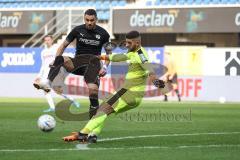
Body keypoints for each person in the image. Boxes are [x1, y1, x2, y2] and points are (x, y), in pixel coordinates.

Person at [62, 30, 165, 143]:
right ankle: (93, 135)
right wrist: (100, 57)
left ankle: (82, 134)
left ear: (137, 43)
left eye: (129, 43)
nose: (126, 45)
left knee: (102, 110)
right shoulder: (134, 52)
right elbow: (119, 57)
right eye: (126, 42)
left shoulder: (141, 55)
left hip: (128, 93)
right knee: (104, 109)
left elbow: (150, 69)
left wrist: (155, 81)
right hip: (134, 97)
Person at [34, 9, 111, 118]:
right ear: (84, 19)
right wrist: (56, 60)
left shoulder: (104, 34)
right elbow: (63, 46)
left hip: (93, 64)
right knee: (60, 58)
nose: (89, 22)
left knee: (93, 91)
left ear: (96, 19)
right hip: (77, 63)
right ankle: (47, 82)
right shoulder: (77, 30)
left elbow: (109, 54)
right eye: (87, 20)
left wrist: (105, 67)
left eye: (92, 20)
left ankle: (93, 119)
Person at [34, 35, 79, 112]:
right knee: (45, 90)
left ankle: (72, 100)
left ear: (52, 40)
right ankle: (52, 107)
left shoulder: (56, 48)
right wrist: (39, 75)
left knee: (57, 90)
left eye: (48, 40)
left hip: (54, 72)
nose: (47, 41)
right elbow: (43, 64)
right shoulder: (43, 52)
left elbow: (63, 56)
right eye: (46, 40)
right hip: (45, 74)